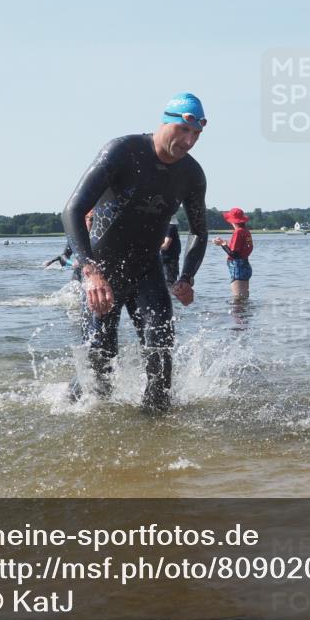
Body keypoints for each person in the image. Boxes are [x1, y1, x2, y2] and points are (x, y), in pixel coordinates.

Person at [61, 92, 209, 412]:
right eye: (183, 131)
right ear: (165, 122)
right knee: (101, 361)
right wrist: (91, 270)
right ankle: (70, 408)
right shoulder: (123, 151)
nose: (189, 141)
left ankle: (155, 439)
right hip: (103, 270)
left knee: (160, 355)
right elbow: (72, 211)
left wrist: (186, 277)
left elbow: (199, 232)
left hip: (147, 270)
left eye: (196, 134)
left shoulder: (192, 175)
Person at [212, 207, 253, 298]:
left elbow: (234, 254)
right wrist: (224, 243)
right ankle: (246, 313)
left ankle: (240, 312)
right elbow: (240, 249)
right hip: (245, 265)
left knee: (238, 300)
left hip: (238, 267)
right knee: (244, 298)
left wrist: (222, 244)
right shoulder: (246, 231)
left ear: (232, 221)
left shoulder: (238, 232)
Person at [159, 217, 182, 287]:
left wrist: (151, 248)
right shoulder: (170, 228)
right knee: (170, 283)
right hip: (169, 260)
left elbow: (166, 245)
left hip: (169, 261)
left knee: (169, 284)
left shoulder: (170, 228)